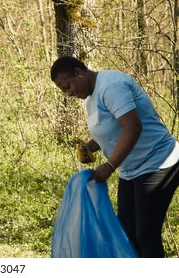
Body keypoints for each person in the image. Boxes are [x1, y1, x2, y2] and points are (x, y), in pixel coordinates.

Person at [50, 55, 179, 258]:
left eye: (68, 87)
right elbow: (112, 131)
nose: (69, 93)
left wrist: (110, 166)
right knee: (127, 233)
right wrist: (89, 147)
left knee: (145, 234)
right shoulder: (91, 97)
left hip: (158, 163)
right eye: (64, 91)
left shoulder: (111, 87)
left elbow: (132, 127)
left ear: (78, 72)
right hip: (131, 169)